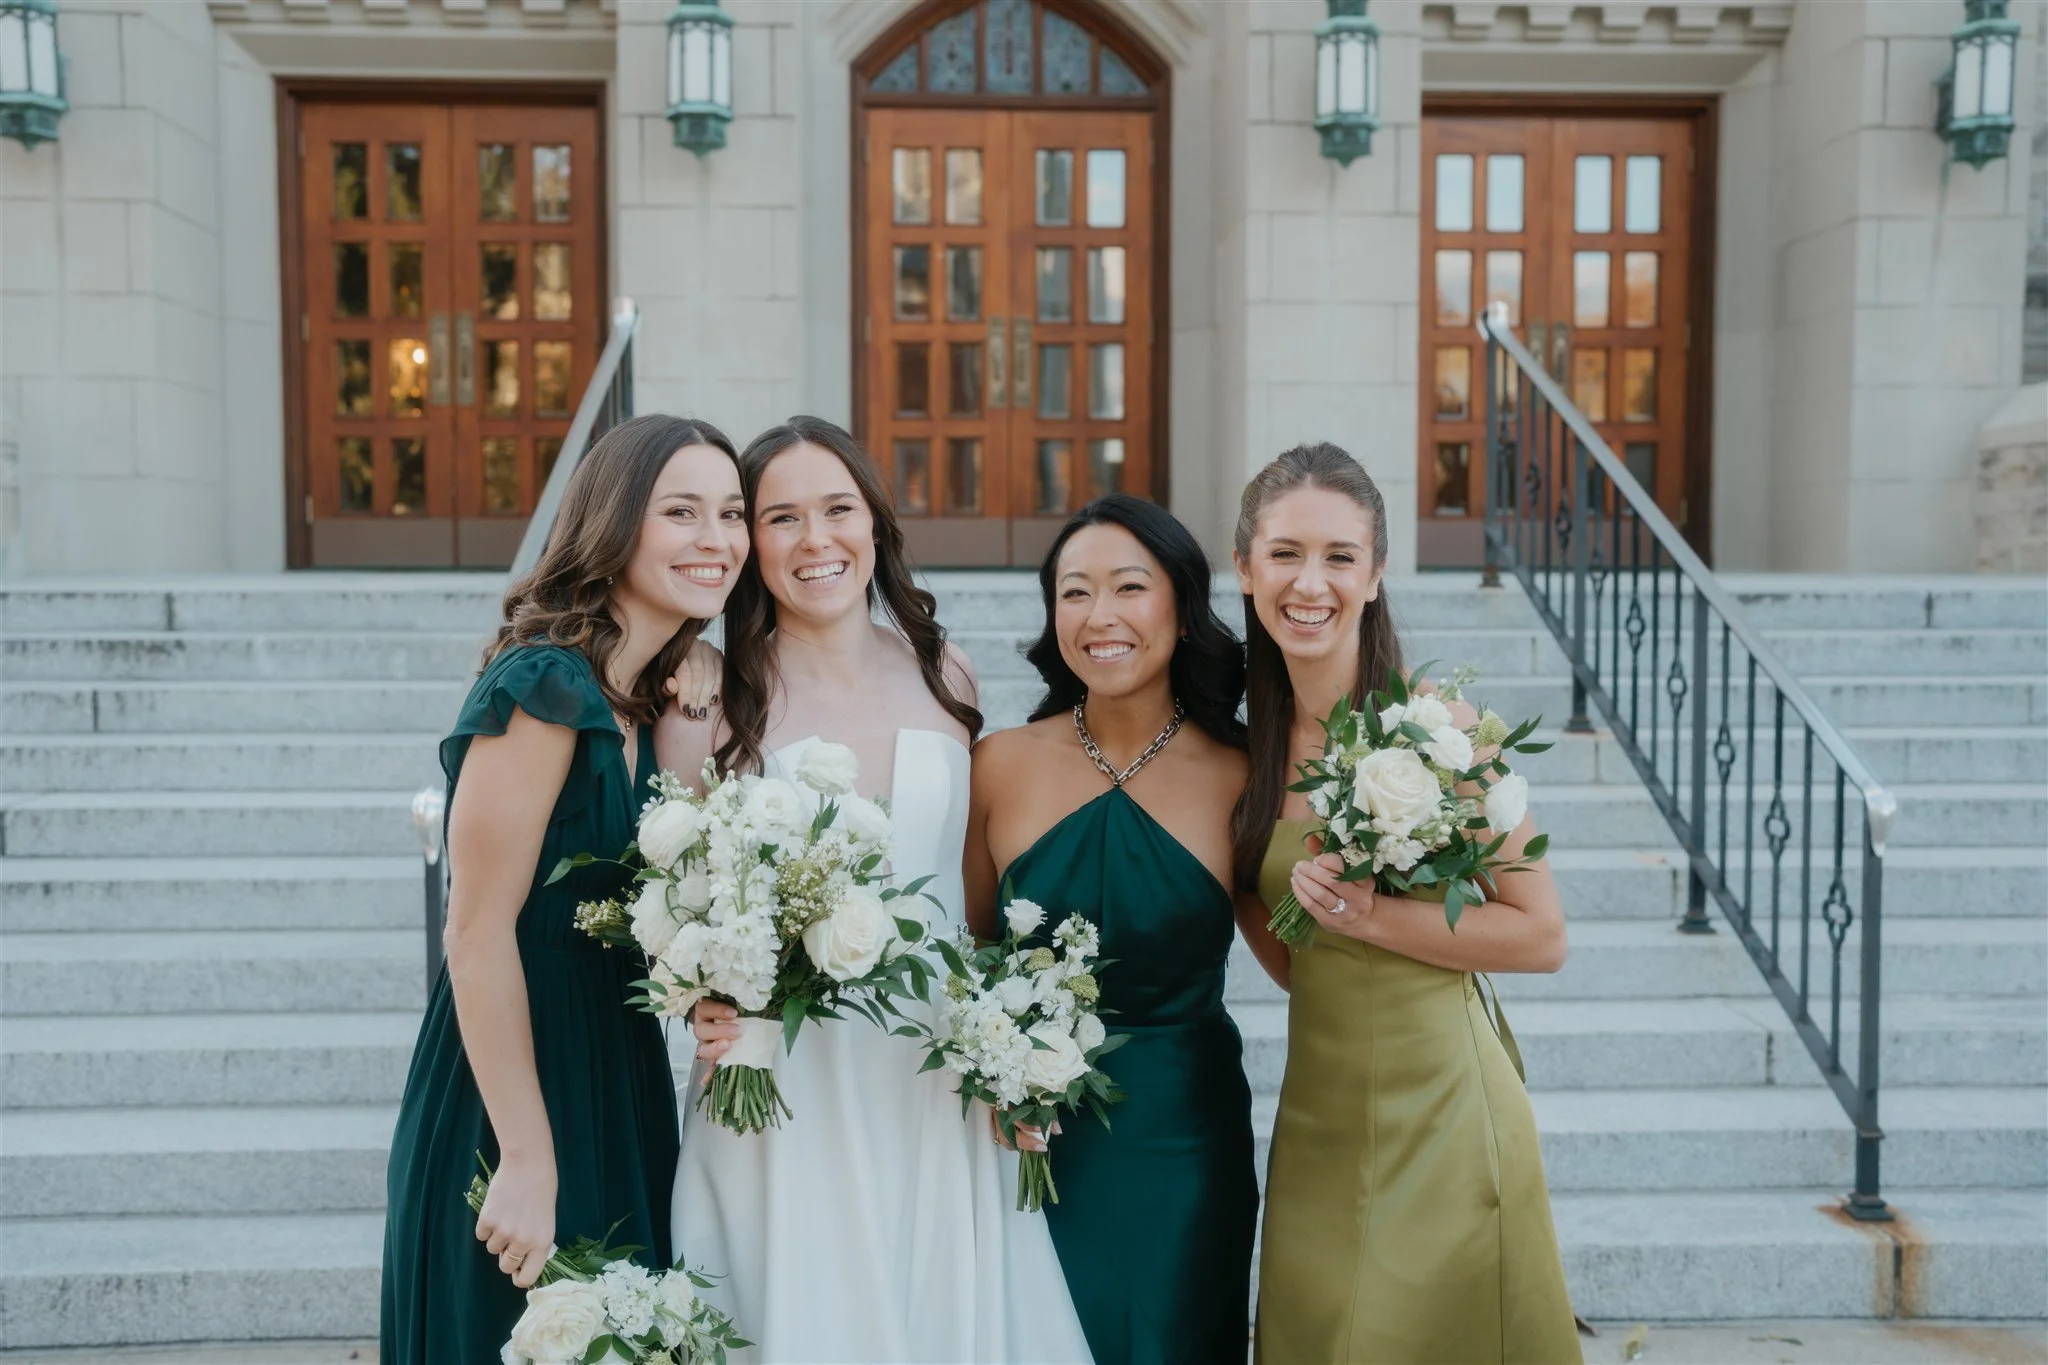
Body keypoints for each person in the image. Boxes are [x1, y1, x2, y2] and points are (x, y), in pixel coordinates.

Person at [662, 416, 1090, 1364]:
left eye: (837, 509)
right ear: (748, 543)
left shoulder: (948, 673)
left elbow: (972, 891)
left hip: (932, 1070)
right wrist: (695, 998)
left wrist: (1015, 1047)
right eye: (781, 518)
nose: (816, 541)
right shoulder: (706, 696)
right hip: (781, 1080)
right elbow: (673, 904)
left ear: (875, 523)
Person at [380, 415, 748, 1363]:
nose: (718, 540)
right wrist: (526, 1154)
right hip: (513, 1090)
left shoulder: (647, 693)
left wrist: (692, 704)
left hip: (615, 1074)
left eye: (733, 513)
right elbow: (475, 931)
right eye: (682, 512)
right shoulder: (545, 686)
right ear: (616, 522)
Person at [1231, 442, 1581, 1364]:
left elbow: (1541, 934)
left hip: (1448, 1112)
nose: (1312, 583)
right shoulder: (1248, 755)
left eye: (1341, 556)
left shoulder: (1442, 730)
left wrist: (1371, 917)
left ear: (1377, 574)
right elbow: (1279, 942)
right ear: (1245, 567)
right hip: (1320, 1118)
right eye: (1286, 553)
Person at [964, 494, 1283, 1365]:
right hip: (1028, 1133)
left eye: (1128, 588)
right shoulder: (998, 763)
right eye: (1074, 592)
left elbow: (1297, 961)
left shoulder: (1242, 773)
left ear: (1181, 608)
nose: (1099, 616)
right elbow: (970, 950)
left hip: (1183, 1137)